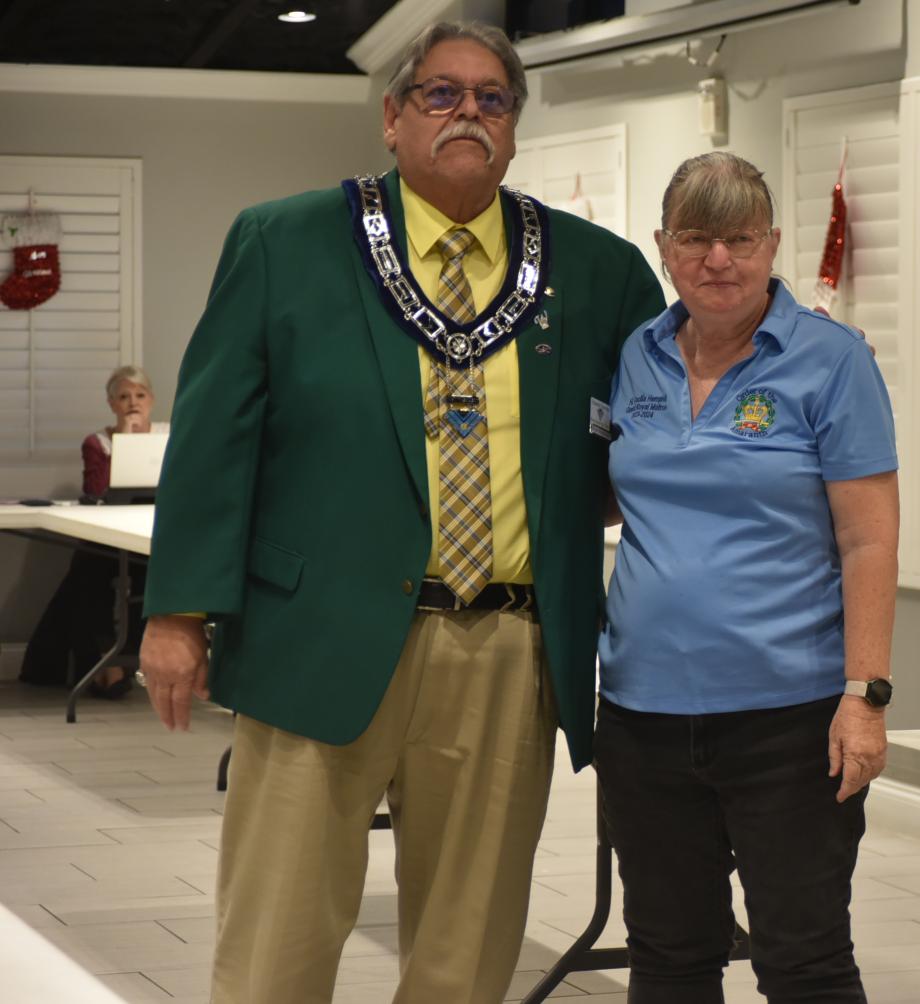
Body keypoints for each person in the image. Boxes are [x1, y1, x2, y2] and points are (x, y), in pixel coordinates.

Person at [136, 21, 663, 1004]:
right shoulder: (286, 243)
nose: (468, 113)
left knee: (468, 952)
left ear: (515, 126)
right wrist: (176, 610)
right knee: (277, 941)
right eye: (441, 94)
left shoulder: (599, 270)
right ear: (392, 116)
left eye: (492, 99)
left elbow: (657, 438)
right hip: (317, 632)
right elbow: (213, 442)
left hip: (506, 649)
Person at [595, 151, 900, 1003]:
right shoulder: (636, 356)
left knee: (803, 960)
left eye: (739, 238)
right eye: (696, 239)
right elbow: (609, 497)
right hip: (643, 717)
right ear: (664, 248)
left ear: (772, 243)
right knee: (668, 955)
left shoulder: (831, 361)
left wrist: (865, 696)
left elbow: (869, 542)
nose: (718, 260)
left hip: (789, 721)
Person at [19, 365, 159, 695]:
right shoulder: (98, 442)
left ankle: (134, 660)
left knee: (153, 575)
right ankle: (104, 660)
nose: (133, 403)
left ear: (151, 400)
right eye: (123, 397)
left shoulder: (167, 436)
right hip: (106, 534)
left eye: (140, 395)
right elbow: (96, 490)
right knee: (87, 571)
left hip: (152, 534)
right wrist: (125, 440)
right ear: (111, 404)